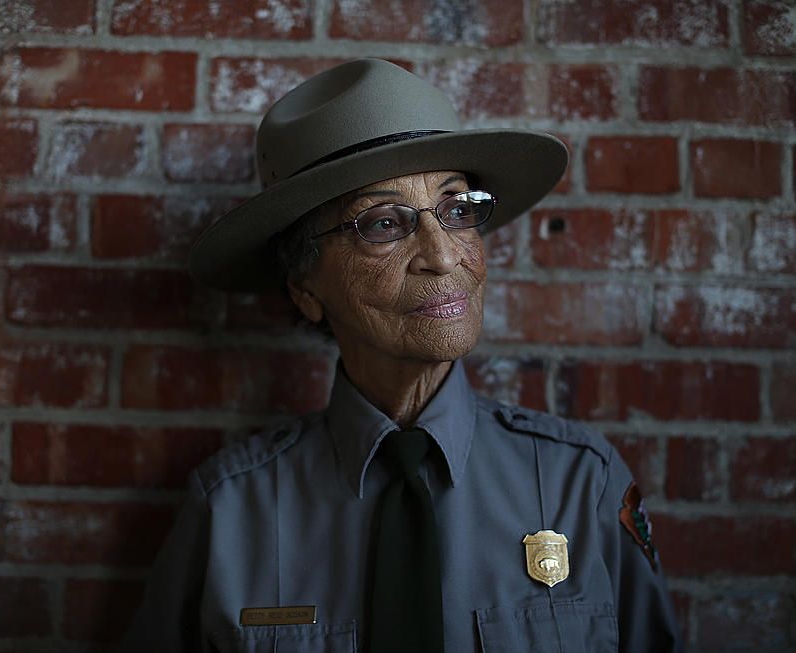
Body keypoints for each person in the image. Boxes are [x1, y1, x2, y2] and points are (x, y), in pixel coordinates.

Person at [122, 58, 682, 652]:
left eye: (458, 209)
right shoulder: (232, 510)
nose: (442, 256)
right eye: (384, 223)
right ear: (305, 288)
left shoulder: (578, 481)